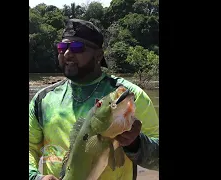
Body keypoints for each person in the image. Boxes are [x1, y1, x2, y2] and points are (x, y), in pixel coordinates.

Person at [29, 19, 159, 180]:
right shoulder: (42, 99)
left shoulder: (127, 96)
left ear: (98, 55)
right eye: (62, 47)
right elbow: (30, 147)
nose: (67, 54)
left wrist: (136, 144)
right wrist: (35, 177)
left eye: (77, 47)